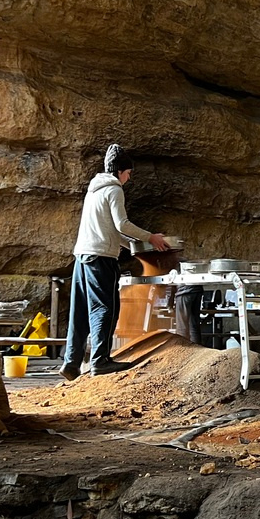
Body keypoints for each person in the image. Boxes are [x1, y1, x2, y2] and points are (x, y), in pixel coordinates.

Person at [61, 145, 171, 380]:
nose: (128, 178)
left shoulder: (94, 190)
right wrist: (151, 238)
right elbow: (122, 224)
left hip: (82, 257)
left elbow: (109, 229)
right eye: (128, 173)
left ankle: (71, 363)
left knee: (80, 311)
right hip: (101, 258)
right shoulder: (114, 189)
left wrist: (134, 247)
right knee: (105, 308)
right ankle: (100, 361)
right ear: (120, 171)